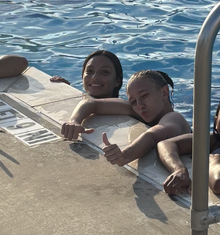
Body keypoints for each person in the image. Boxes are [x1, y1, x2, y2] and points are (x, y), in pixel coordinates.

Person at [61, 69, 190, 167]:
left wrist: (124, 156)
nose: (139, 106)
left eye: (144, 96)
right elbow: (92, 104)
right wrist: (75, 121)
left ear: (164, 92)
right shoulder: (138, 110)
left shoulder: (174, 118)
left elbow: (153, 135)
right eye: (133, 101)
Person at [50, 50, 123, 98]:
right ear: (82, 76)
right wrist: (68, 90)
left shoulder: (126, 108)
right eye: (90, 71)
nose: (95, 77)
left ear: (117, 81)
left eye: (105, 72)